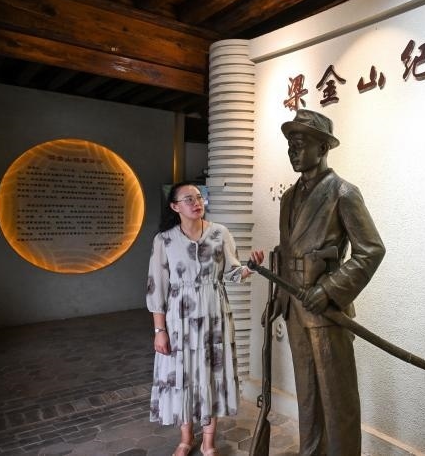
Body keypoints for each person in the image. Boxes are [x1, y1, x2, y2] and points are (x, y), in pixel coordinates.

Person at [269, 109, 386, 455]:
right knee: (308, 397)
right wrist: (279, 298)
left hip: (327, 313)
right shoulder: (288, 198)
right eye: (290, 144)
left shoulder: (343, 193)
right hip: (295, 311)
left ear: (322, 148)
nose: (292, 150)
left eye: (300, 143)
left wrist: (329, 289)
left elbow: (371, 250)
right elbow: (287, 251)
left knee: (337, 399)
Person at [146, 181, 264, 456]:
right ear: (175, 207)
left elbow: (232, 272)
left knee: (213, 374)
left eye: (199, 197)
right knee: (183, 374)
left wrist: (250, 268)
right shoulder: (164, 240)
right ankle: (186, 438)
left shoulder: (220, 233)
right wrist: (159, 331)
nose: (196, 202)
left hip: (214, 317)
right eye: (188, 199)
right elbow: (156, 287)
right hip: (179, 320)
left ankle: (208, 442)